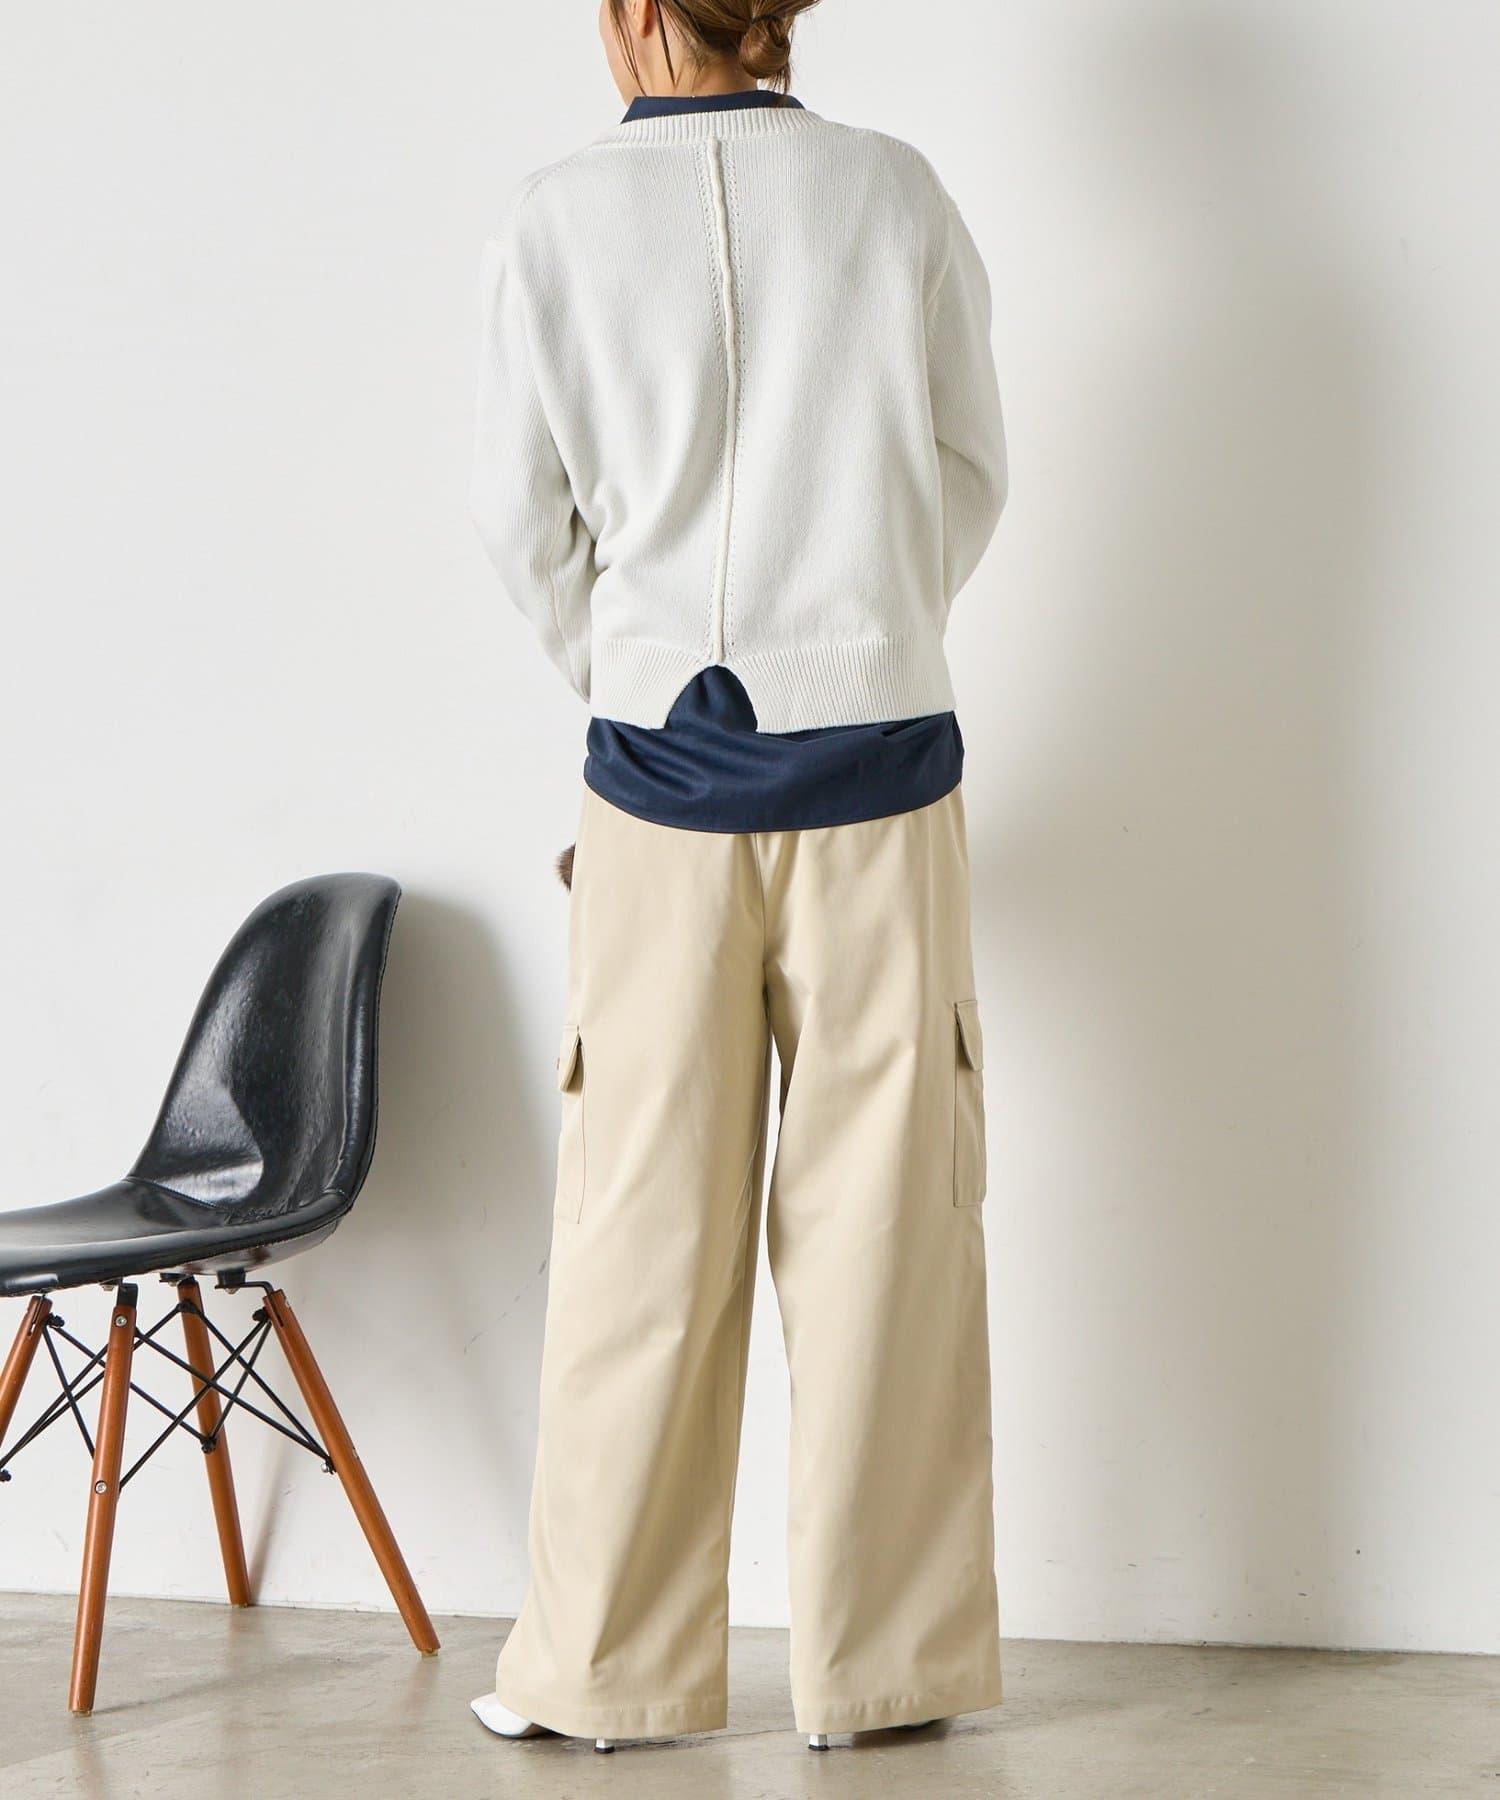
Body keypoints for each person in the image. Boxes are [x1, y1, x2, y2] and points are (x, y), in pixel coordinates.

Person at [468, 0, 1007, 1755]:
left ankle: (603, 1677)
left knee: (637, 1232)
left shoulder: (557, 213)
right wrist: (862, 633)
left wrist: (631, 665)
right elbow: (968, 471)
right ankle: (886, 1678)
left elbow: (523, 519)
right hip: (882, 778)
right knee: (890, 1232)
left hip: (655, 788)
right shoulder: (893, 193)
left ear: (638, 12)